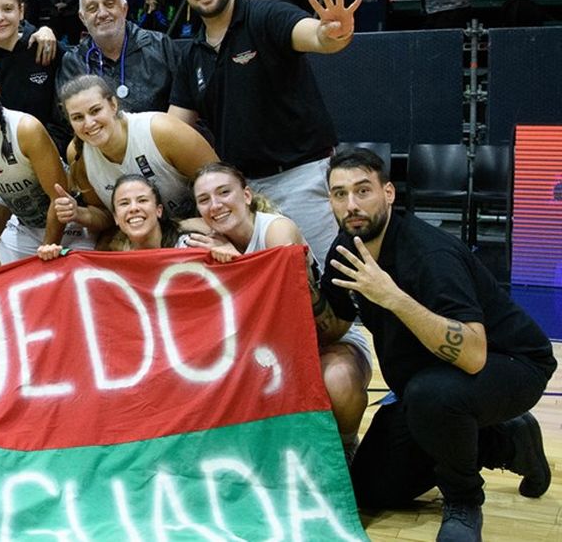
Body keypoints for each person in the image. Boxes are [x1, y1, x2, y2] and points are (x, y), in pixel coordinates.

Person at [320, 148, 555, 542]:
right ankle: (505, 442)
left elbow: (474, 354)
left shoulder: (429, 255)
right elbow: (336, 322)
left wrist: (392, 297)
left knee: (434, 395)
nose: (351, 204)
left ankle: (463, 502)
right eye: (339, 194)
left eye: (363, 191)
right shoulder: (345, 251)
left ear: (389, 193)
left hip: (511, 363)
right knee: (371, 489)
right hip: (423, 384)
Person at [167, 0, 360, 265]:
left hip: (300, 179)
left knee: (323, 284)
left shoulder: (266, 14)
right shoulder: (192, 55)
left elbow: (314, 35)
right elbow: (172, 129)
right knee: (261, 289)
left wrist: (332, 34)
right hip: (242, 194)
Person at [186, 162, 372, 457]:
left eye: (224, 193)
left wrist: (238, 265)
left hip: (324, 340)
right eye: (205, 199)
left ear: (246, 195)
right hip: (264, 348)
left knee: (337, 381)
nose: (216, 205)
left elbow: (283, 301)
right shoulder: (205, 238)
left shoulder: (277, 229)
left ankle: (345, 448)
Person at [0, 60, 87, 270]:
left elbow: (58, 197)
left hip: (71, 226)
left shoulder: (26, 130)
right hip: (25, 227)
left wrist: (47, 248)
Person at [55, 75, 217, 239]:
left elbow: (223, 183)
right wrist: (78, 213)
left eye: (95, 111)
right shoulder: (77, 154)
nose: (89, 123)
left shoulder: (162, 131)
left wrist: (195, 224)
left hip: (200, 225)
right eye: (78, 117)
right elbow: (106, 217)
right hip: (145, 237)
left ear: (113, 105)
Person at [56, 0, 182, 113]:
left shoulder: (160, 46)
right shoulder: (73, 62)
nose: (103, 14)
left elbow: (185, 106)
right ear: (83, 18)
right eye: (92, 9)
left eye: (109, 4)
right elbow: (64, 124)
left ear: (124, 9)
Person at [38, 174, 197, 261]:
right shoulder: (112, 261)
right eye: (124, 203)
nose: (134, 208)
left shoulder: (190, 247)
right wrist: (55, 256)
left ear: (159, 210)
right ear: (115, 218)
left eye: (142, 200)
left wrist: (220, 249)